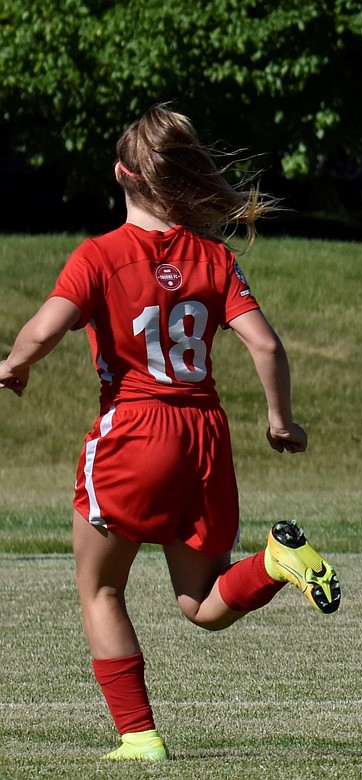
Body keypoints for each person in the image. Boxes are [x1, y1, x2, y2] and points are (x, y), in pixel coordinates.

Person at [0, 105, 341, 762]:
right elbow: (266, 346)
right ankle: (274, 563)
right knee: (203, 603)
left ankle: (138, 736)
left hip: (133, 430)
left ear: (121, 175)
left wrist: (14, 366)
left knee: (100, 589)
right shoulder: (213, 258)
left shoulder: (99, 255)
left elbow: (43, 330)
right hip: (203, 435)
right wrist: (280, 421)